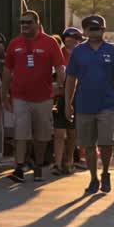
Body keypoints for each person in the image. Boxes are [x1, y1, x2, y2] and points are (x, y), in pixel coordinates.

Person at [65, 15, 114, 195]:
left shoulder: (113, 51)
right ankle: (93, 178)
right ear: (85, 31)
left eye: (98, 29)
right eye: (91, 29)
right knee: (88, 144)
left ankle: (106, 172)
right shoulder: (78, 52)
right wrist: (67, 103)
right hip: (84, 104)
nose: (95, 32)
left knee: (106, 142)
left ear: (103, 30)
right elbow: (71, 78)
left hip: (107, 104)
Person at [4, 11, 66, 184]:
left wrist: (62, 87)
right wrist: (4, 95)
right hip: (20, 96)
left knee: (41, 135)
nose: (24, 26)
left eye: (28, 23)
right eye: (22, 22)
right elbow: (7, 71)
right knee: (21, 133)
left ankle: (38, 165)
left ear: (37, 24)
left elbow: (59, 67)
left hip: (43, 97)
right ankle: (19, 167)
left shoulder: (50, 42)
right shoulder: (14, 43)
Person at [52, 27, 82, 174]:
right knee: (59, 132)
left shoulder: (82, 54)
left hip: (77, 96)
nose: (70, 39)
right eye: (67, 37)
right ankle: (57, 163)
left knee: (72, 132)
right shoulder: (58, 53)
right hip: (60, 97)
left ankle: (68, 161)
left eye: (74, 37)